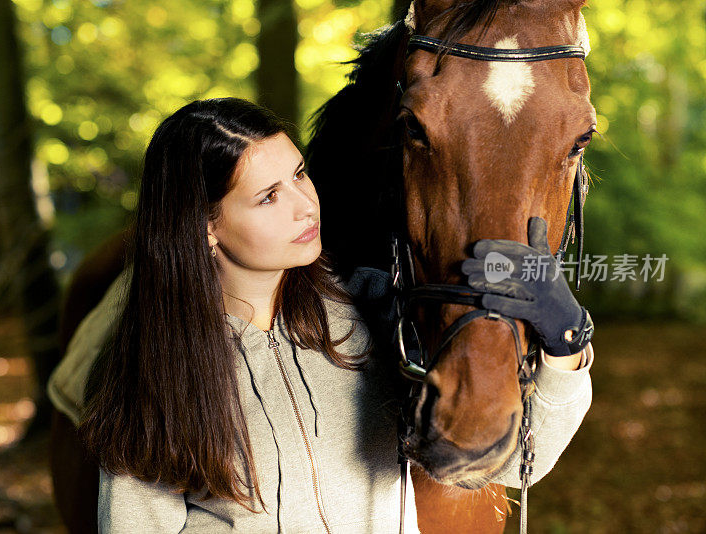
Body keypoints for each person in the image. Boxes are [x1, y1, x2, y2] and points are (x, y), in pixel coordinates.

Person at [47, 97, 594, 533]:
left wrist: (567, 344)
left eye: (301, 175)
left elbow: (507, 464)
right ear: (204, 227)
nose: (306, 205)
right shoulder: (154, 371)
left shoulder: (375, 317)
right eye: (268, 197)